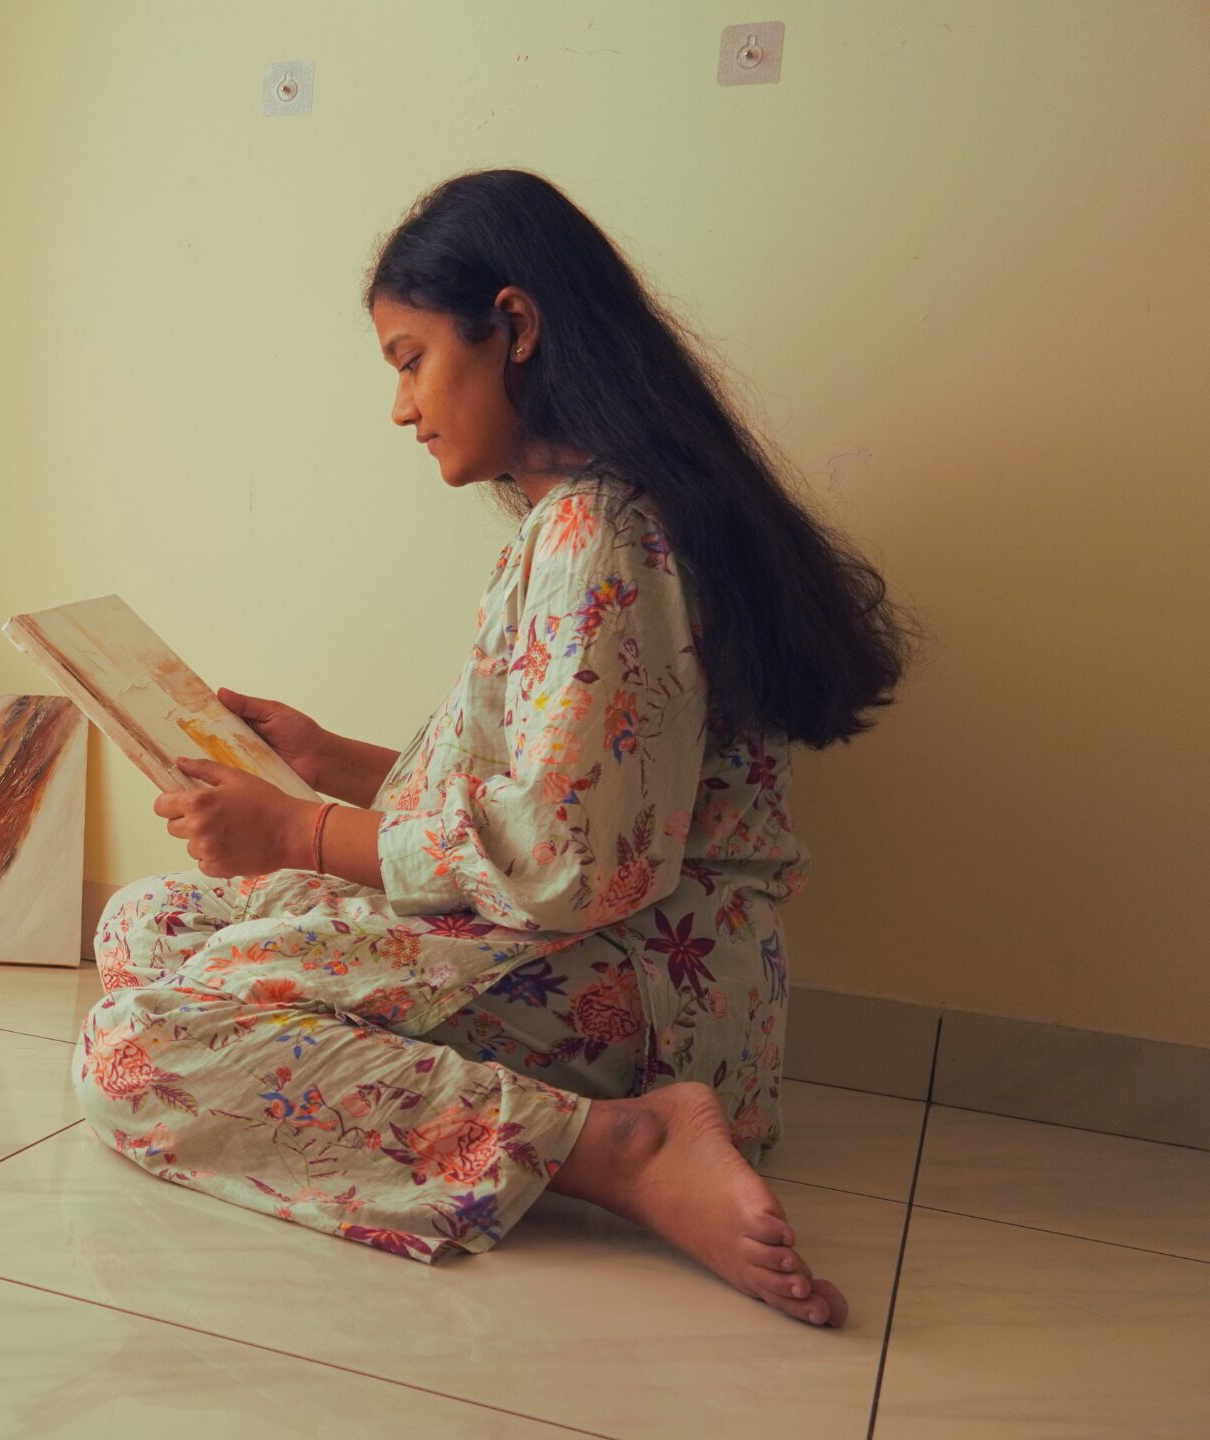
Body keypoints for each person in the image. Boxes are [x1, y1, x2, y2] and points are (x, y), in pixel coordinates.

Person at [73, 169, 909, 1328]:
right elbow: (539, 791)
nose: (400, 407)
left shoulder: (604, 532)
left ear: (512, 326)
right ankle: (534, 1110)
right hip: (601, 951)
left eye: (410, 359)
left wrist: (301, 834)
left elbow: (571, 862)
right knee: (144, 923)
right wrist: (327, 763)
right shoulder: (579, 519)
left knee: (133, 1050)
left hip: (634, 985)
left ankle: (620, 1144)